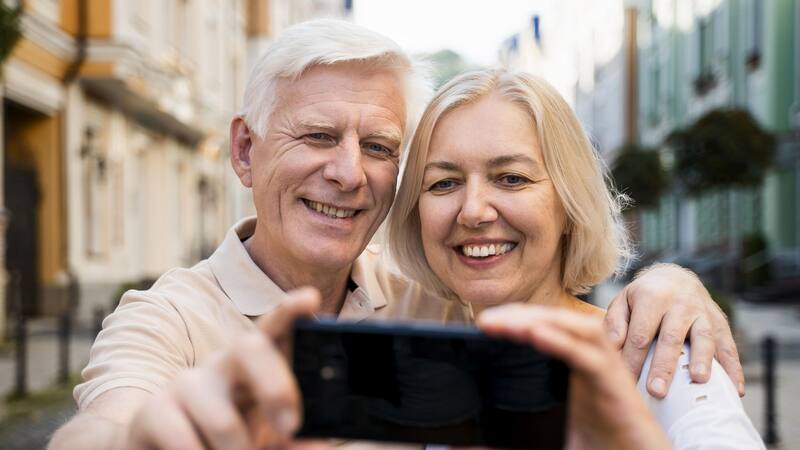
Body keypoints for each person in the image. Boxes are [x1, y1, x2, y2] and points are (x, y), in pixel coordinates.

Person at [49, 20, 744, 450]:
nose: (348, 172)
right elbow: (104, 421)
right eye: (317, 135)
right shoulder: (167, 319)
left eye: (379, 147)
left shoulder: (434, 299)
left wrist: (672, 283)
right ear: (244, 150)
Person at [386, 69, 763, 448]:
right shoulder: (429, 372)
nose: (472, 211)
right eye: (444, 183)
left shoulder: (663, 362)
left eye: (512, 178)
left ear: (569, 204)